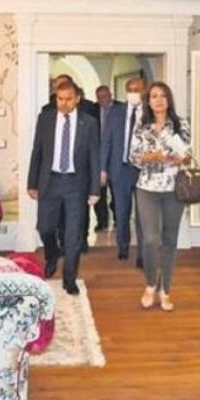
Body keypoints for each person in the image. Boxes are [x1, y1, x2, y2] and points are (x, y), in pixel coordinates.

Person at [27, 79, 100, 295]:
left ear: (77, 99)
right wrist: (32, 183)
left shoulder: (89, 122)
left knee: (73, 235)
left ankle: (69, 279)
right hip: (49, 182)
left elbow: (94, 157)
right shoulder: (45, 119)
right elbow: (37, 151)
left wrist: (95, 189)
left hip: (75, 184)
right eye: (60, 99)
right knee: (45, 228)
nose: (64, 103)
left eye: (68, 99)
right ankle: (52, 256)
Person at [128, 81, 191, 312]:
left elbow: (187, 154)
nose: (159, 100)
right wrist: (151, 156)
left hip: (174, 189)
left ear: (168, 99)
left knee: (169, 240)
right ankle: (150, 285)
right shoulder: (141, 125)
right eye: (154, 96)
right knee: (150, 239)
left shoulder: (181, 124)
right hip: (147, 188)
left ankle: (165, 291)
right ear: (148, 100)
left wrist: (180, 158)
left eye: (163, 95)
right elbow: (133, 157)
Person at [100, 77, 145, 263]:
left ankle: (143, 253)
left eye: (137, 89)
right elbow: (106, 141)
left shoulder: (150, 112)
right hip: (120, 169)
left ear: (144, 90)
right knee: (121, 211)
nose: (134, 93)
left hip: (143, 171)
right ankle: (123, 245)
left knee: (143, 214)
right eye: (130, 90)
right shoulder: (116, 111)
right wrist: (103, 168)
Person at [93, 84, 117, 231]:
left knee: (116, 190)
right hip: (97, 155)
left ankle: (118, 220)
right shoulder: (93, 110)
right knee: (99, 190)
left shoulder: (120, 108)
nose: (102, 100)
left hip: (115, 156)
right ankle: (102, 221)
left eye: (105, 96)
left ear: (110, 95)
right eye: (99, 97)